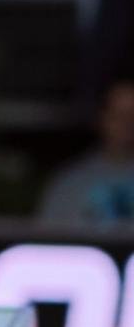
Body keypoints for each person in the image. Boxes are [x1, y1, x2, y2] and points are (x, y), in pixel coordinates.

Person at [39, 77, 134, 225]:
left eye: (132, 115)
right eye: (118, 115)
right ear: (101, 118)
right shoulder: (69, 183)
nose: (127, 124)